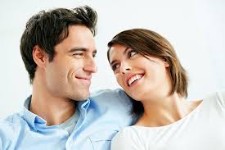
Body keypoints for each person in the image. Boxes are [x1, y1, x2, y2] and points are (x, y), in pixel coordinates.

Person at [0, 6, 133, 149]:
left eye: (92, 55)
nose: (93, 68)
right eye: (78, 54)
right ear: (40, 56)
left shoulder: (121, 104)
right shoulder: (6, 139)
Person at [107, 28, 225, 150]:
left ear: (164, 58)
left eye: (132, 54)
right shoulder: (130, 139)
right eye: (116, 66)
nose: (122, 69)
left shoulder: (220, 103)